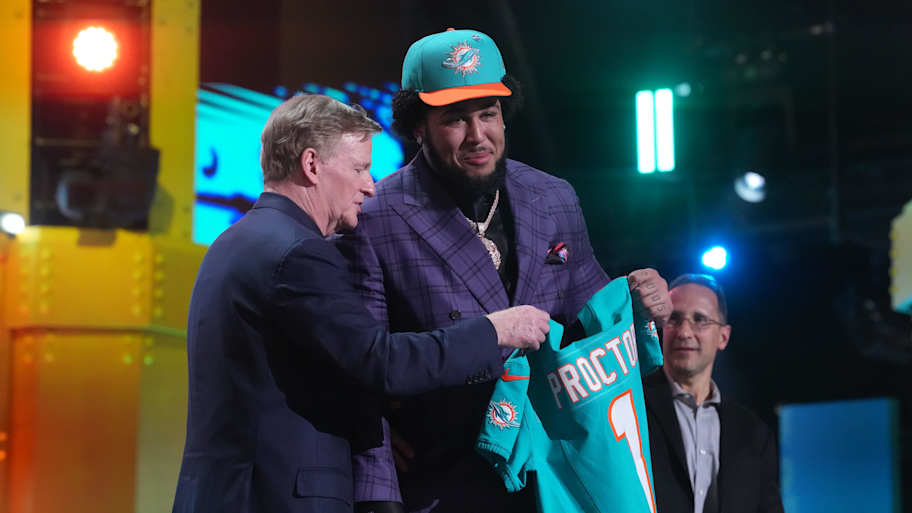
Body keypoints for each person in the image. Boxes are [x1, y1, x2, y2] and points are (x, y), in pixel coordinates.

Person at [339, 28, 672, 513]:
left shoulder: (553, 197)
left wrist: (640, 304)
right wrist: (378, 480)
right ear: (418, 127)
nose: (478, 136)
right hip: (445, 483)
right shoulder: (375, 218)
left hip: (554, 479)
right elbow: (361, 369)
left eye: (488, 113)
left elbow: (593, 330)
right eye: (455, 119)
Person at [171, 93, 552, 513]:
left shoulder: (231, 244)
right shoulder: (300, 254)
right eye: (359, 168)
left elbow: (308, 371)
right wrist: (494, 330)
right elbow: (381, 362)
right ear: (312, 165)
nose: (370, 186)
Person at [644, 274, 784, 513]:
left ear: (723, 336)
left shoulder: (753, 433)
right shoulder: (634, 409)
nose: (684, 332)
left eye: (700, 320)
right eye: (674, 319)